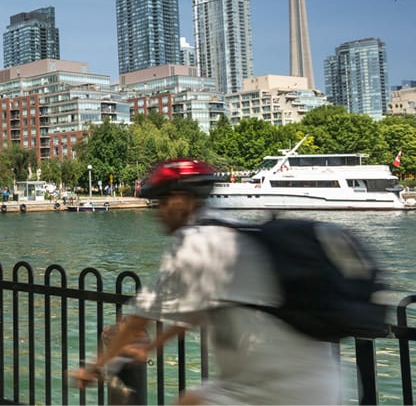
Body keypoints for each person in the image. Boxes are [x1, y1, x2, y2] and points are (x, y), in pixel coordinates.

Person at [74, 158, 340, 405]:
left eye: (163, 202)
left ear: (183, 199)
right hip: (313, 379)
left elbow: (137, 321)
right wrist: (154, 346)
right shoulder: (230, 228)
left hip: (273, 387)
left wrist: (95, 367)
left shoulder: (195, 244)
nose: (159, 212)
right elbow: (195, 313)